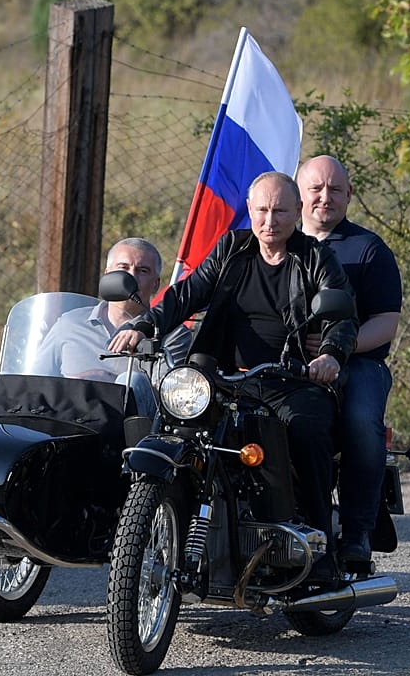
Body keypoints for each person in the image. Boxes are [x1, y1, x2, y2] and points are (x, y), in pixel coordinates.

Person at [109, 172, 357, 573]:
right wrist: (144, 325)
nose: (270, 220)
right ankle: (174, 521)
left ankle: (319, 545)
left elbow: (341, 316)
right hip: (223, 378)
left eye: (280, 211)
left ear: (297, 211)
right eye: (262, 210)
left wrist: (330, 354)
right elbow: (186, 294)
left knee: (306, 431)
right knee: (178, 427)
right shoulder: (231, 248)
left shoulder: (315, 257)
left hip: (291, 380)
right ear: (250, 210)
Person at [296, 155, 402, 569]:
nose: (325, 197)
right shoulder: (277, 245)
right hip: (288, 362)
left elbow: (387, 323)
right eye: (316, 188)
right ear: (299, 193)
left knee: (360, 421)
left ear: (349, 195)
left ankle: (357, 530)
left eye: (335, 189)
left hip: (358, 364)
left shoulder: (369, 249)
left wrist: (338, 348)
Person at [36, 238, 192, 416]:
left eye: (142, 270)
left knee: (131, 380)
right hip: (69, 421)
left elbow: (168, 398)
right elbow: (34, 379)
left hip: (132, 428)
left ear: (155, 284)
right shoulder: (69, 323)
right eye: (123, 268)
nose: (131, 277)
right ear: (107, 275)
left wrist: (106, 383)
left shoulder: (173, 334)